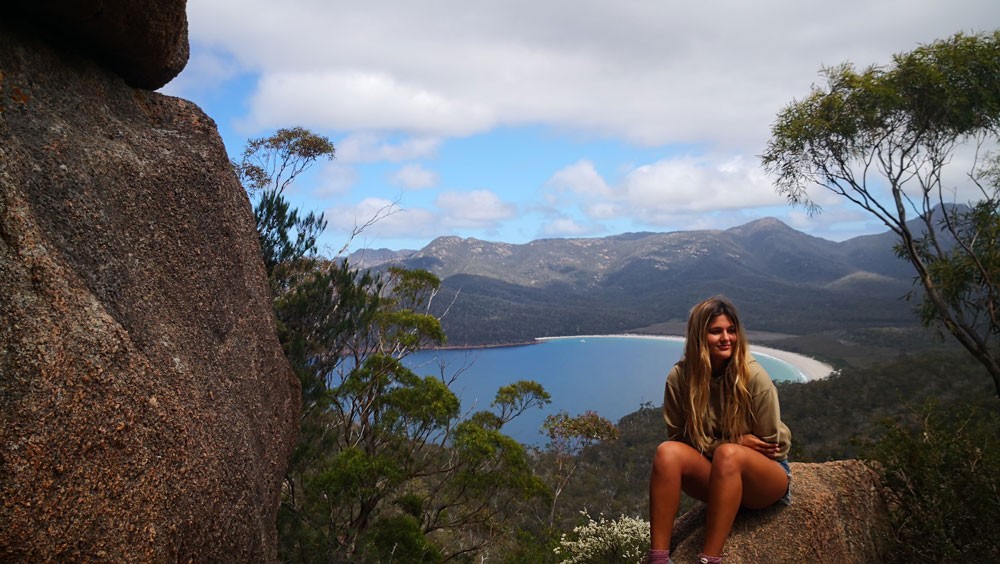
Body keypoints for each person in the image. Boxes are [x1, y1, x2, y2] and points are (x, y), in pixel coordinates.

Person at [646, 296, 791, 564]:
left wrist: (729, 449)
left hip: (764, 481)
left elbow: (774, 447)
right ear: (699, 335)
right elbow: (678, 437)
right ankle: (658, 558)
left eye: (731, 330)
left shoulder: (753, 376)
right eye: (716, 331)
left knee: (729, 454)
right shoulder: (680, 378)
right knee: (666, 453)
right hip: (717, 474)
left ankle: (710, 559)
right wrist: (730, 442)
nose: (726, 338)